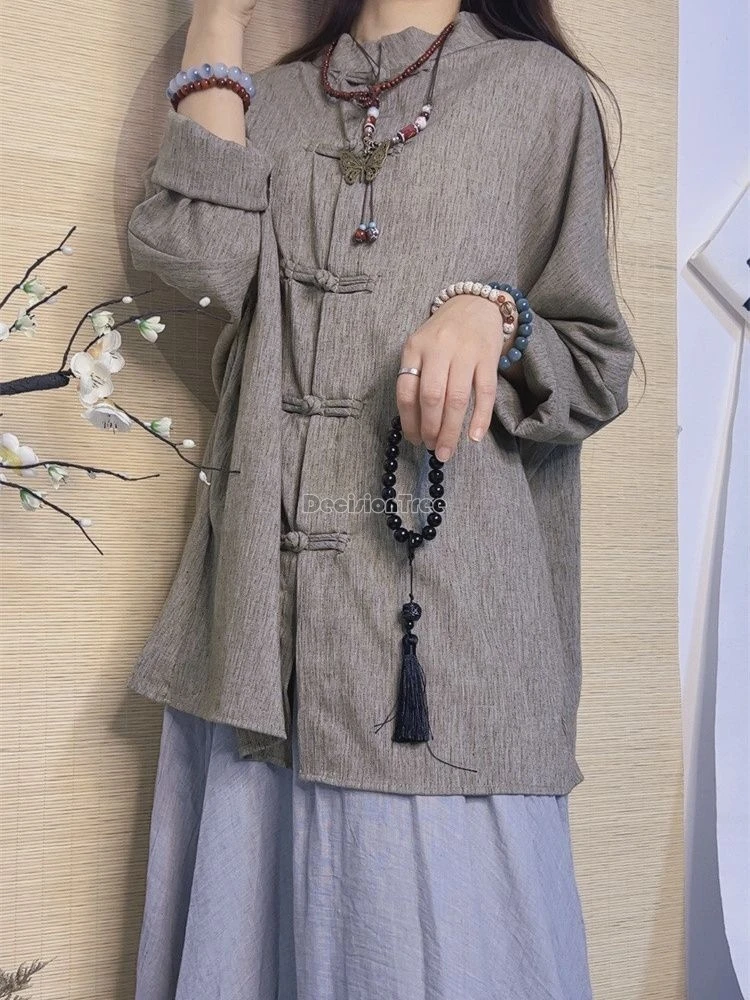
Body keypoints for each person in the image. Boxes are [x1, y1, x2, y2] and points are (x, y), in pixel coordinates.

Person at [126, 0, 638, 996]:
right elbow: (197, 261)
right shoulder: (270, 99)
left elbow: (596, 364)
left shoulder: (540, 92)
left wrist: (497, 314)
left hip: (442, 662)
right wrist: (218, 17)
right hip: (260, 655)